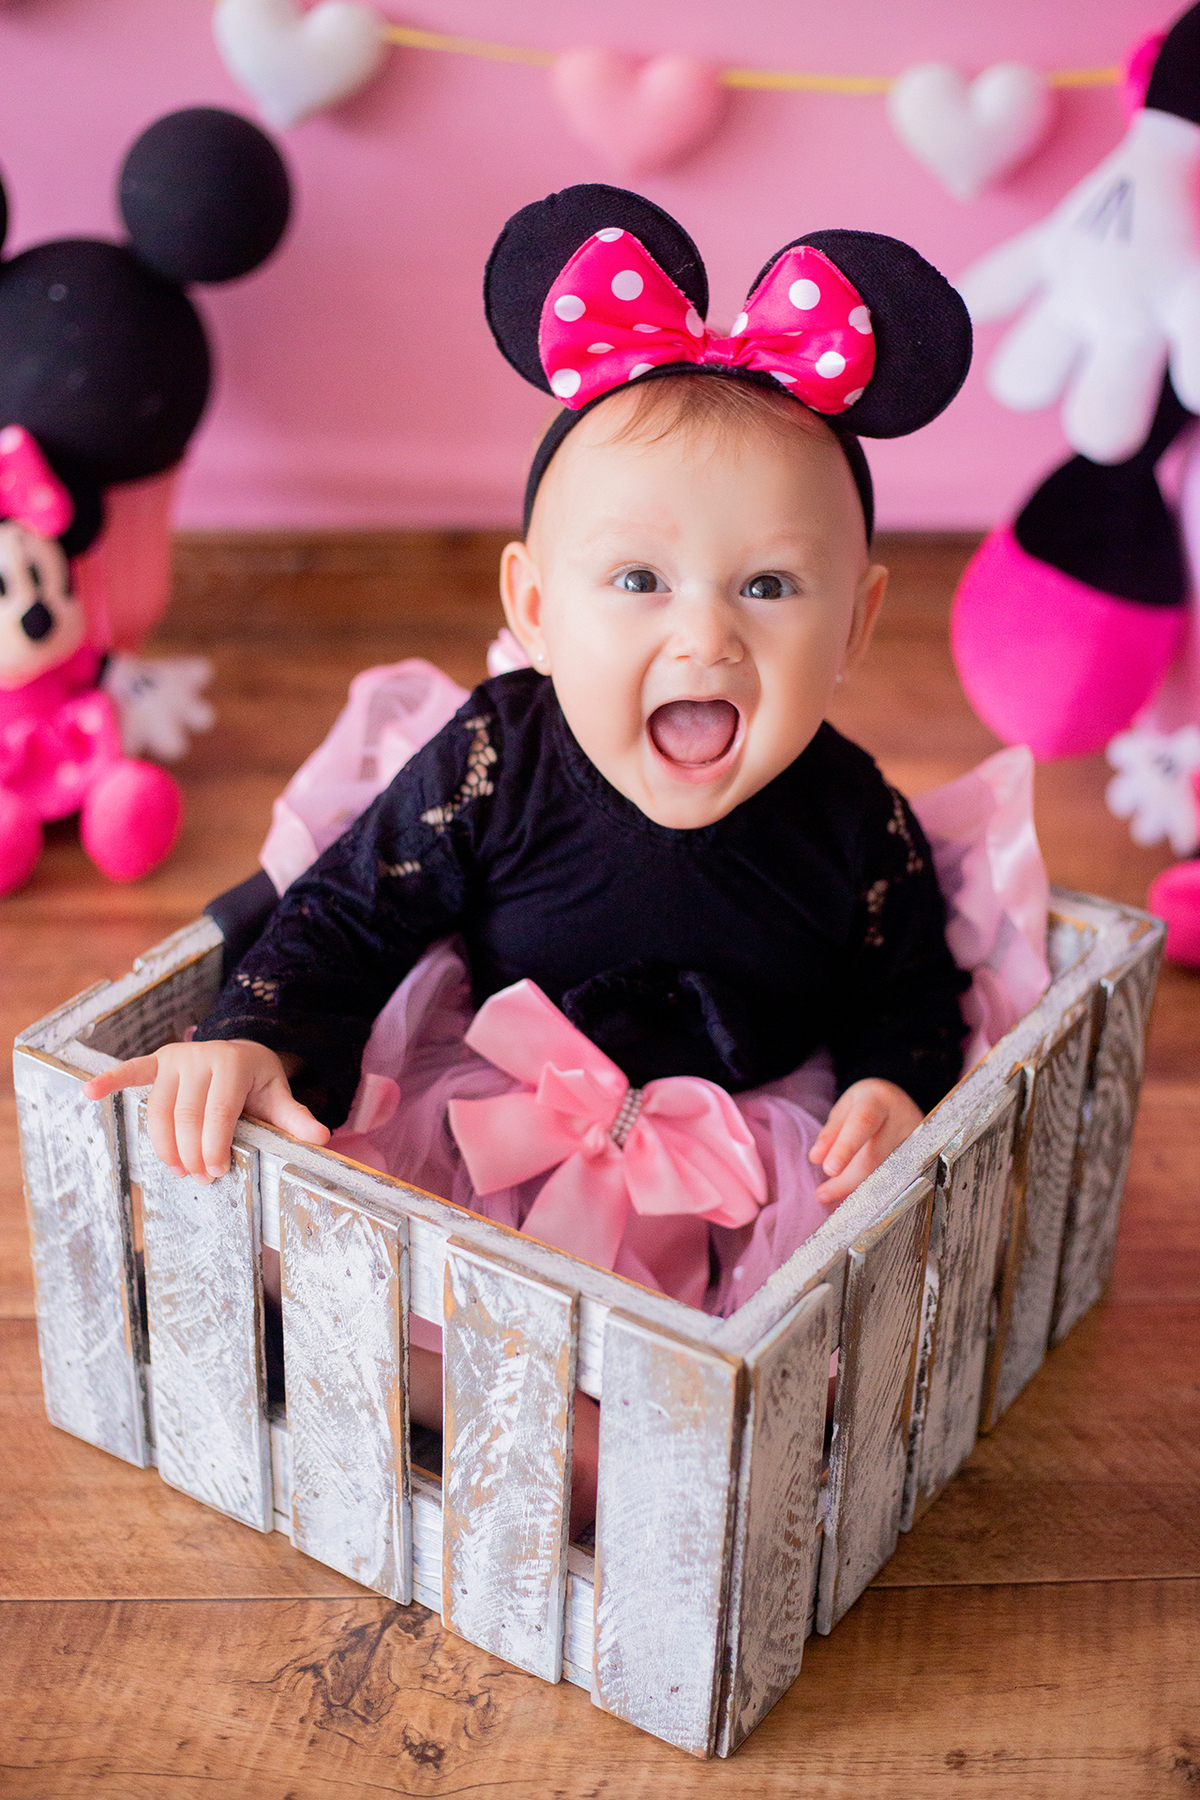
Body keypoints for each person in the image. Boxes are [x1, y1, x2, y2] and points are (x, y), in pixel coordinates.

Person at [85, 186, 974, 1531]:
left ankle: (657, 1461)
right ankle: (437, 1399)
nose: (706, 640)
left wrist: (899, 1089)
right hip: (501, 1114)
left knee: (770, 1360)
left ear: (858, 624)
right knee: (384, 1267)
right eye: (639, 583)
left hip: (732, 1149)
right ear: (535, 608)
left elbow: (907, 978)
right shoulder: (497, 757)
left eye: (769, 587)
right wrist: (253, 1031)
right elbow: (348, 910)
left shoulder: (857, 821)